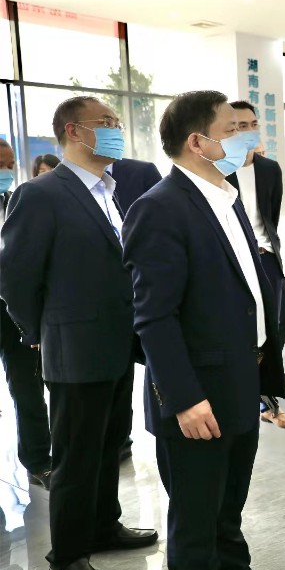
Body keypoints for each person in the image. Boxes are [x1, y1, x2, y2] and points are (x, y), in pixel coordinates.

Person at [122, 90, 285, 570]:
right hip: (198, 393)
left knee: (229, 502)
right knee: (196, 515)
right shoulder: (160, 208)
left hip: (241, 375)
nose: (245, 138)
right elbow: (153, 317)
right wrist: (184, 398)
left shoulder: (225, 197)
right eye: (232, 129)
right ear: (198, 142)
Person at [0, 96, 158, 570]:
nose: (116, 130)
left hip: (117, 342)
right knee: (75, 455)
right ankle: (67, 557)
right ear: (73, 130)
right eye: (106, 122)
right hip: (74, 347)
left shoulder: (110, 190)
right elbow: (15, 277)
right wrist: (39, 332)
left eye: (116, 122)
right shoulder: (41, 194)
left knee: (111, 443)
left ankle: (104, 524)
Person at [227, 100, 285, 430]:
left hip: (266, 257)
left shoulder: (269, 169)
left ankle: (262, 392)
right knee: (252, 331)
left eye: (252, 124)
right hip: (237, 262)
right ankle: (261, 400)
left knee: (280, 320)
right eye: (240, 125)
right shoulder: (220, 170)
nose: (248, 130)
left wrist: (266, 247)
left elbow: (269, 216)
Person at [0, 140, 52, 490]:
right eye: (0, 165)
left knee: (28, 387)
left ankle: (38, 461)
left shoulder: (15, 202)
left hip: (11, 310)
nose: (6, 172)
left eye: (10, 165)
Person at [108, 155, 163, 463]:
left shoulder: (141, 172)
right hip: (93, 311)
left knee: (130, 373)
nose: (114, 133)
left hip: (140, 294)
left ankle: (122, 437)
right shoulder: (53, 189)